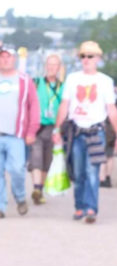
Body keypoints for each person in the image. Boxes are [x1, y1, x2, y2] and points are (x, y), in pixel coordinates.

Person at [53, 41, 117, 223]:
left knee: (92, 172)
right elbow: (64, 105)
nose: (86, 59)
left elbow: (111, 109)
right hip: (76, 131)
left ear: (98, 59)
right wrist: (56, 128)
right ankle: (79, 206)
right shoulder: (72, 79)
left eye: (90, 56)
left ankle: (91, 208)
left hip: (95, 131)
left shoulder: (105, 81)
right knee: (78, 172)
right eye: (83, 56)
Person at [0, 45, 40, 218]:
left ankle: (20, 197)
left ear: (14, 58)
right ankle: (1, 207)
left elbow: (34, 106)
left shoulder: (24, 80)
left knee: (17, 169)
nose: (5, 59)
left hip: (16, 135)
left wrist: (31, 131)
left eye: (9, 56)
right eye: (2, 56)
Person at [29, 54, 64, 205]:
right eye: (49, 64)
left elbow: (65, 109)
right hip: (37, 126)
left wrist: (60, 129)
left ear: (59, 68)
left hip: (54, 128)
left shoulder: (63, 87)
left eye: (54, 65)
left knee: (47, 161)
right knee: (36, 157)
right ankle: (36, 188)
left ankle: (40, 189)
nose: (51, 67)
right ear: (45, 66)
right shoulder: (36, 83)